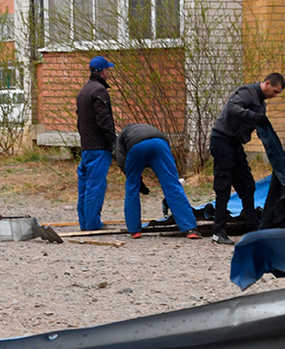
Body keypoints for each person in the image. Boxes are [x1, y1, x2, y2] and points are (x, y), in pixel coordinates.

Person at [209, 72, 285, 245]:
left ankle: (253, 227)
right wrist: (253, 116)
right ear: (266, 83)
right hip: (222, 140)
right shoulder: (246, 92)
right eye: (275, 91)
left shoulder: (261, 104)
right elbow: (233, 108)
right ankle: (218, 231)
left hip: (235, 145)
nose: (275, 96)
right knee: (223, 186)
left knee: (247, 186)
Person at [113, 123, 199, 239]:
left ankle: (135, 231)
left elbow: (122, 161)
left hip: (136, 146)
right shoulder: (150, 129)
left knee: (131, 187)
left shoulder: (122, 136)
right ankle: (190, 229)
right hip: (160, 144)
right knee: (172, 185)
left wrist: (137, 182)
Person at [76, 55, 116, 231]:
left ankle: (84, 223)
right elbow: (104, 121)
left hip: (86, 146)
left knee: (84, 186)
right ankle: (93, 224)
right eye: (108, 69)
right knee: (95, 186)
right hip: (99, 147)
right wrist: (114, 142)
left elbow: (79, 121)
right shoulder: (99, 91)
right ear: (103, 71)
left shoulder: (83, 91)